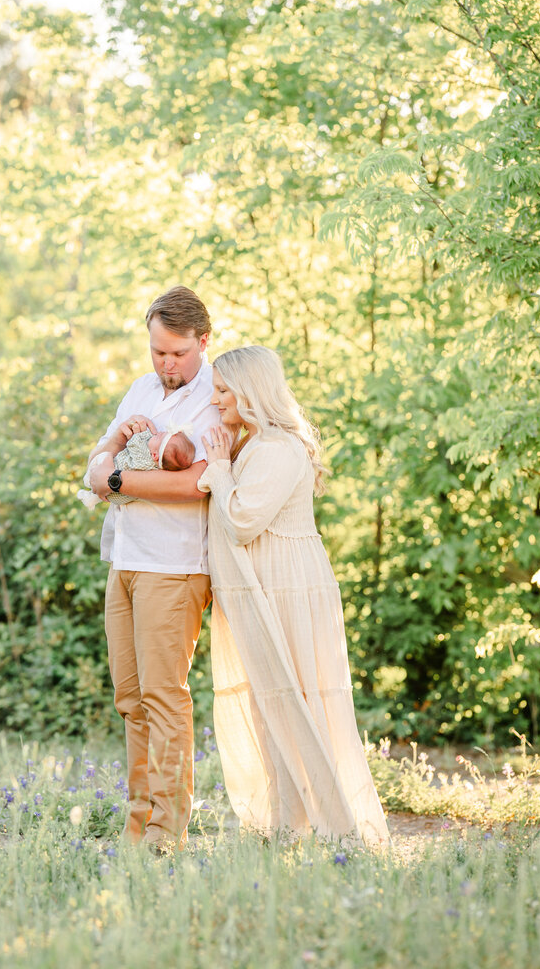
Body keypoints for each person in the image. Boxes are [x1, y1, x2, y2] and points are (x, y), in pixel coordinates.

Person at [197, 346, 389, 846]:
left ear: (250, 392)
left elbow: (241, 521)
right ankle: (287, 822)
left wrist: (218, 465)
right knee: (272, 699)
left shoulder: (279, 449)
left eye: (223, 390)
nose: (215, 400)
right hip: (267, 581)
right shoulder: (259, 445)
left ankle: (334, 824)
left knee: (295, 697)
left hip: (287, 583)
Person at [87, 286, 218, 851]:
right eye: (158, 352)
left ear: (203, 342)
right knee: (130, 698)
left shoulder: (218, 394)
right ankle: (136, 826)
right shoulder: (140, 388)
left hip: (176, 565)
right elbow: (95, 461)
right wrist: (118, 450)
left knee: (165, 698)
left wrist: (118, 479)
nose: (167, 365)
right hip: (126, 559)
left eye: (177, 353)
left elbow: (194, 483)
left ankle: (168, 831)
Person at [77, 427, 196, 510]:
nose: (159, 433)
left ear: (155, 455)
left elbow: (132, 444)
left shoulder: (144, 457)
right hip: (120, 498)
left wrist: (143, 433)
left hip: (115, 489)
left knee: (106, 455)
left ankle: (90, 482)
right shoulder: (156, 467)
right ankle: (92, 497)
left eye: (159, 438)